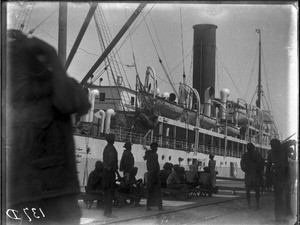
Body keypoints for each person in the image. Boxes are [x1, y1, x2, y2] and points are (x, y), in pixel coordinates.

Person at [6, 30, 90, 224]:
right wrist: (52, 59)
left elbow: (75, 103)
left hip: (47, 194)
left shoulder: (51, 89)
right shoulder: (28, 91)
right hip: (49, 195)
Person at [266, 139, 296, 223]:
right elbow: (268, 167)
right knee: (280, 198)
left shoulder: (272, 152)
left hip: (284, 176)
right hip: (280, 177)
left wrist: (295, 146)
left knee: (283, 198)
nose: (272, 147)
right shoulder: (278, 150)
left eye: (272, 145)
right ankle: (280, 217)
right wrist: (294, 145)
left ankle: (283, 218)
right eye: (271, 145)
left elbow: (293, 157)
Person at [240, 143, 264, 209]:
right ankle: (257, 205)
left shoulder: (245, 155)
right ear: (253, 148)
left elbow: (242, 165)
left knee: (248, 190)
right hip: (256, 175)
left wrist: (246, 170)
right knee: (257, 190)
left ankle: (249, 205)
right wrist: (259, 171)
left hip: (248, 175)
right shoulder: (257, 154)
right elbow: (262, 163)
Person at [103, 133, 120, 217]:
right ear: (112, 140)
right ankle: (109, 212)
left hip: (105, 173)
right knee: (110, 192)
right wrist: (118, 174)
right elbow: (112, 162)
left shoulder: (106, 148)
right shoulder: (112, 149)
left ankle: (106, 212)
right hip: (110, 174)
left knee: (107, 193)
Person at [143, 142, 163, 211]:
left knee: (151, 191)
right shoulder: (153, 155)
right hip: (153, 175)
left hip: (153, 174)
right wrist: (156, 175)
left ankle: (149, 206)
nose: (156, 148)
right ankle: (158, 206)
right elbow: (153, 166)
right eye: (155, 147)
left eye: (157, 147)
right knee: (156, 191)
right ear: (152, 148)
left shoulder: (152, 154)